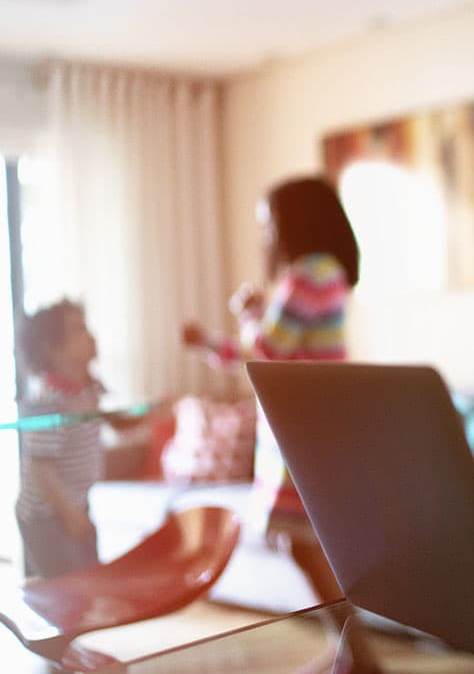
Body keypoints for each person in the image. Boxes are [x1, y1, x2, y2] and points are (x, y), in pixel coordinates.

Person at [181, 175, 376, 672]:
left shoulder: (310, 273)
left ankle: (359, 651)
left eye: (269, 223)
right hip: (299, 425)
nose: (265, 234)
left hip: (306, 428)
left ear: (295, 223)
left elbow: (266, 350)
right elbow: (262, 356)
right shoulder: (316, 273)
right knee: (303, 542)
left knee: (304, 542)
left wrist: (249, 312)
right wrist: (208, 342)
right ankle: (353, 648)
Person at [15, 299, 157, 577]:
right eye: (78, 330)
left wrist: (152, 412)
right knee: (66, 585)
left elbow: (115, 424)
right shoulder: (50, 399)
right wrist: (70, 515)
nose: (90, 335)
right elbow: (39, 467)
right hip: (46, 515)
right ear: (52, 348)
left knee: (90, 578)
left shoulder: (86, 389)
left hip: (77, 503)